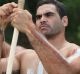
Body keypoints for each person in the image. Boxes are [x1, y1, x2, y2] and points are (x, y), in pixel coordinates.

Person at [0, 0, 80, 74]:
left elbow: (65, 71)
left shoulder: (75, 52)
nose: (42, 20)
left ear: (64, 21)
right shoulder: (25, 57)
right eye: (38, 17)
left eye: (49, 15)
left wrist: (29, 28)